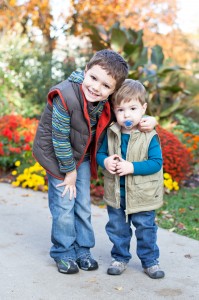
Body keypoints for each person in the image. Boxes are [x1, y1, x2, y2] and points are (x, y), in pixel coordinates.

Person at [33, 49, 157, 275]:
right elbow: (59, 138)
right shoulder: (65, 96)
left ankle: (83, 249)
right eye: (93, 78)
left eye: (106, 86)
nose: (96, 87)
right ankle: (63, 252)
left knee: (82, 204)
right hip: (56, 155)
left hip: (81, 155)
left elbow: (130, 104)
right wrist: (68, 172)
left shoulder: (105, 98)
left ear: (113, 89)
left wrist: (150, 120)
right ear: (86, 71)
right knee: (64, 204)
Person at [96, 79, 165, 279]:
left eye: (133, 108)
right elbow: (100, 154)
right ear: (113, 111)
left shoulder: (149, 135)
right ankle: (120, 257)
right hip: (118, 193)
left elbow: (156, 163)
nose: (127, 114)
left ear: (143, 109)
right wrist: (106, 161)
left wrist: (131, 167)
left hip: (143, 195)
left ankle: (150, 261)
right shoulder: (111, 133)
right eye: (120, 109)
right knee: (118, 228)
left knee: (146, 228)